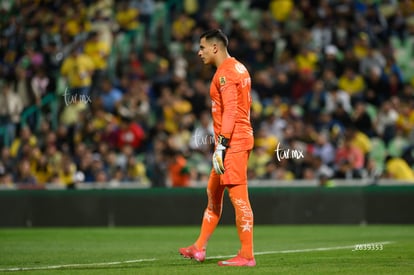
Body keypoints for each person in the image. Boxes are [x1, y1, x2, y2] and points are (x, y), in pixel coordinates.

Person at [179, 29, 256, 267]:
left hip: (233, 143)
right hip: (230, 141)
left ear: (215, 48)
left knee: (239, 198)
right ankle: (199, 247)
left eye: (202, 47)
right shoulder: (239, 67)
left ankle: (246, 255)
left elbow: (231, 111)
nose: (199, 52)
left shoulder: (225, 74)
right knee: (213, 193)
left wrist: (221, 146)